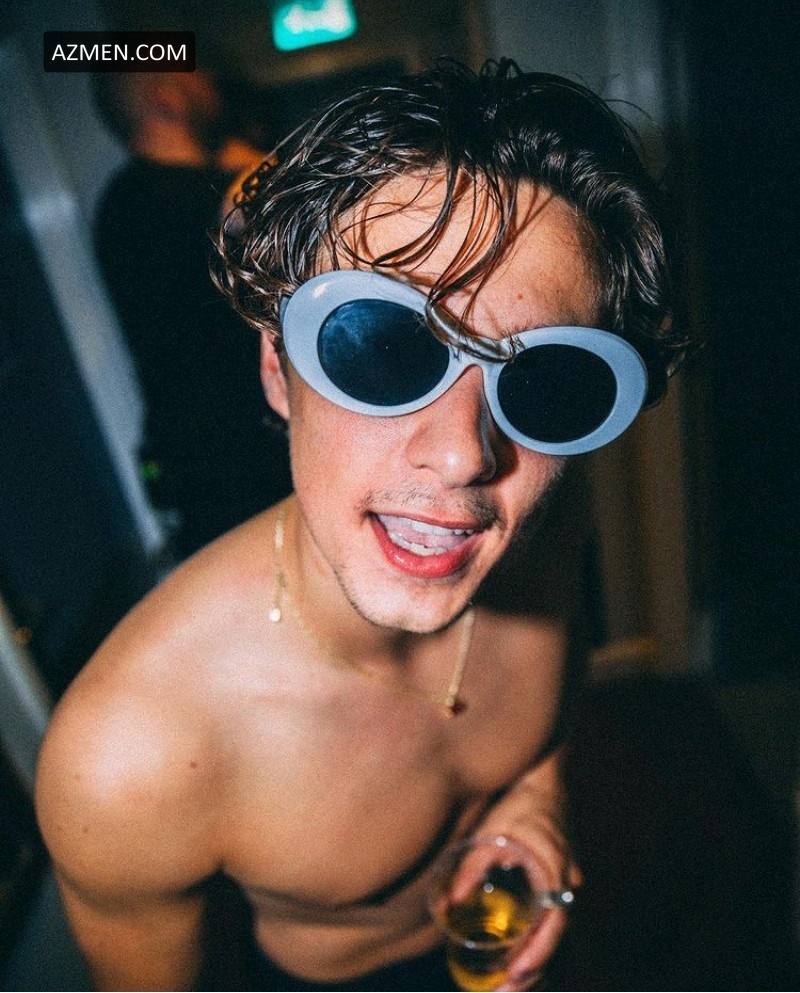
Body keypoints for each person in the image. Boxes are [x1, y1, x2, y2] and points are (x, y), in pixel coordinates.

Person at [35, 59, 686, 991]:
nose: (463, 455)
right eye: (381, 347)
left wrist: (536, 795)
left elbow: (561, 667)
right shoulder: (130, 755)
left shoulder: (548, 523)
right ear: (278, 370)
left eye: (544, 383)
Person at [93, 70, 291, 559]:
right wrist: (258, 162)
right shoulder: (144, 200)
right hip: (227, 463)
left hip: (235, 453)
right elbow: (252, 201)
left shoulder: (143, 198)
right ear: (166, 96)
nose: (212, 86)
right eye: (198, 75)